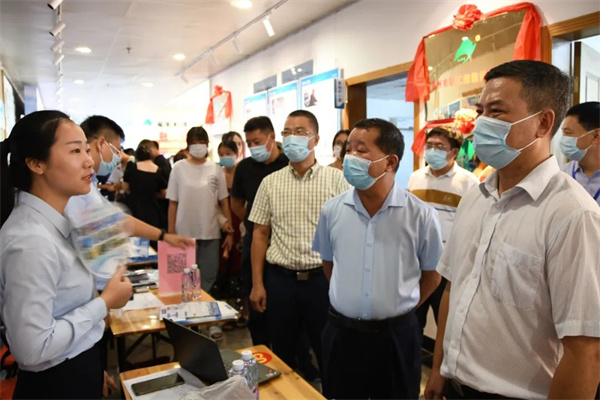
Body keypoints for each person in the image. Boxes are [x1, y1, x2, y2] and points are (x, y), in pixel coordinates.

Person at [425, 60, 600, 400]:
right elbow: (452, 289)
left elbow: (586, 351)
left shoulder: (573, 215)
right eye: (481, 111)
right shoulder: (475, 197)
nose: (481, 123)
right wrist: (438, 368)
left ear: (543, 122)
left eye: (497, 111)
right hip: (455, 385)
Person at [0, 111, 132, 399]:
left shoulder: (57, 223)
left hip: (75, 367)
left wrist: (90, 362)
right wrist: (105, 303)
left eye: (86, 149)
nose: (88, 160)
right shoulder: (31, 240)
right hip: (55, 385)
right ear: (36, 163)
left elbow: (65, 306)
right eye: (75, 151)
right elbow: (32, 348)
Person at [313, 118, 443, 399]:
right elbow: (329, 264)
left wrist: (398, 307)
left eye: (361, 150)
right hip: (342, 334)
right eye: (349, 149)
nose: (350, 157)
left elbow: (432, 276)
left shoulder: (420, 215)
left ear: (390, 162)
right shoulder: (332, 211)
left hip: (396, 337)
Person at [248, 110, 349, 378]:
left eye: (300, 132)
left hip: (322, 280)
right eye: (287, 132)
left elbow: (348, 234)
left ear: (315, 139)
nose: (292, 137)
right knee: (282, 355)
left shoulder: (337, 180)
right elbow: (260, 234)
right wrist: (257, 284)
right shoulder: (270, 182)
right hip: (280, 281)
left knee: (329, 352)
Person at [64, 115, 194, 260]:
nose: (118, 156)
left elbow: (118, 220)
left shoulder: (90, 182)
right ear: (100, 143)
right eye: (117, 150)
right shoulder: (74, 186)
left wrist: (164, 236)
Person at [408, 126, 479, 332]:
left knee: (447, 325)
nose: (432, 150)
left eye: (439, 146)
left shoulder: (468, 182)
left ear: (454, 152)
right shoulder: (416, 177)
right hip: (416, 264)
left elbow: (473, 225)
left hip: (448, 265)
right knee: (412, 322)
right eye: (429, 145)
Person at [230, 116, 289, 345]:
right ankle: (260, 349)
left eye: (257, 141)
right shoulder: (245, 168)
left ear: (271, 137)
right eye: (249, 143)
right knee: (255, 297)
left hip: (283, 241)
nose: (253, 147)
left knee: (283, 303)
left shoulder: (288, 163)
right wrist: (256, 220)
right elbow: (236, 203)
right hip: (254, 240)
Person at [167, 126, 234, 293]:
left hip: (210, 232)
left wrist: (230, 233)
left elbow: (224, 202)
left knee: (208, 277)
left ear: (207, 144)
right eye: (194, 142)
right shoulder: (178, 168)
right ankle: (188, 307)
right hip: (184, 233)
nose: (198, 145)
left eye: (202, 142)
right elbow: (173, 203)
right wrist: (170, 233)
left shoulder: (215, 168)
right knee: (184, 279)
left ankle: (204, 306)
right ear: (188, 145)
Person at [122, 141, 168, 237]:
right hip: (152, 209)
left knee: (135, 236)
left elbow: (125, 188)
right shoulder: (158, 170)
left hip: (134, 208)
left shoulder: (131, 167)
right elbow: (164, 193)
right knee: (152, 235)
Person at [559, 101, 600, 206]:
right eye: (563, 133)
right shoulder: (560, 175)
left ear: (596, 136)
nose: (563, 139)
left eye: (568, 133)